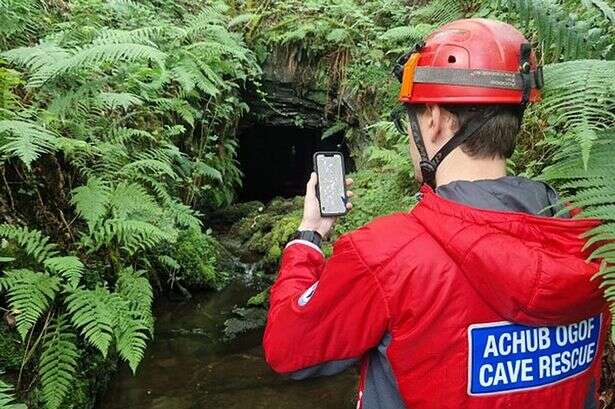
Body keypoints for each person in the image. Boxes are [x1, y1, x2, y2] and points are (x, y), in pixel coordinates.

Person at [262, 18, 608, 409]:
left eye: (408, 119)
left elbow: (288, 348)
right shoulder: (591, 240)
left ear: (434, 119)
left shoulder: (385, 256)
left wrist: (309, 236)